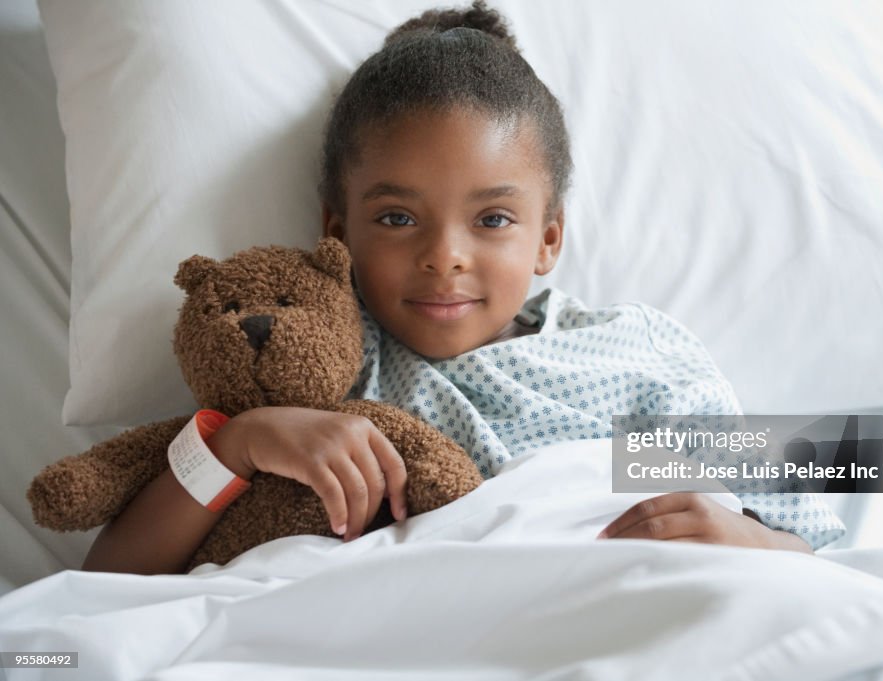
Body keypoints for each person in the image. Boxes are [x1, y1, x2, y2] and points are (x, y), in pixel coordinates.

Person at [83, 1, 844, 575]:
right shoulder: (318, 363)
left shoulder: (624, 357)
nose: (445, 257)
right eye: (396, 216)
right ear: (337, 232)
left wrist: (758, 542)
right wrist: (245, 442)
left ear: (549, 236)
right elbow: (110, 576)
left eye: (492, 218)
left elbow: (849, 496)